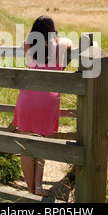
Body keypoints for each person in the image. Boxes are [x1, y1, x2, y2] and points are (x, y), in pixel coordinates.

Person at [13, 15, 72, 197]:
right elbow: (69, 42)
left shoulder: (28, 45)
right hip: (48, 100)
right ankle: (38, 187)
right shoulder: (61, 45)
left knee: (26, 146)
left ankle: (30, 190)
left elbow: (27, 41)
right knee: (42, 146)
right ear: (53, 30)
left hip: (27, 98)